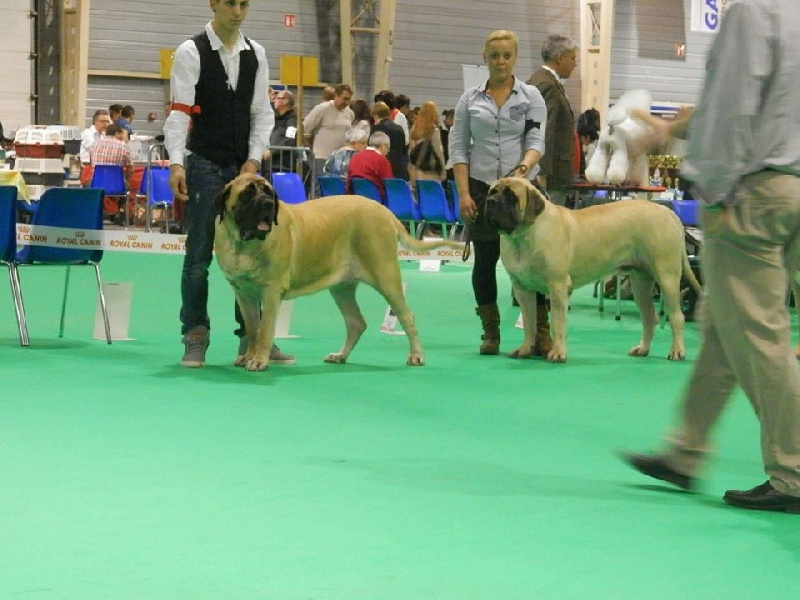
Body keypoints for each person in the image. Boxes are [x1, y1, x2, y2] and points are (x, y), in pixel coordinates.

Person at [623, 0, 800, 514]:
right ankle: (685, 451)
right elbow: (765, 105)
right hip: (791, 189)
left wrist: (715, 191)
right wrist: (675, 128)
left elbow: (734, 106)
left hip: (752, 192)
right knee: (726, 323)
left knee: (761, 338)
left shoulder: (753, 10)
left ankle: (793, 471)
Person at [165, 0, 294, 369]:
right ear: (214, 4)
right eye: (230, 3)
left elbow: (261, 113)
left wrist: (253, 161)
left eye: (243, 4)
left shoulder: (257, 54)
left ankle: (253, 340)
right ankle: (195, 335)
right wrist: (176, 163)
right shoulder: (190, 52)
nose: (237, 11)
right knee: (198, 257)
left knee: (256, 253)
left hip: (245, 168)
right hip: (204, 164)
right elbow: (179, 114)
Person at [450, 29, 546, 356]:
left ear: (515, 57)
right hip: (482, 189)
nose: (501, 61)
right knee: (485, 260)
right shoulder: (469, 100)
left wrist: (523, 169)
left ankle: (541, 333)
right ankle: (490, 332)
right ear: (485, 58)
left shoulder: (531, 96)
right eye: (494, 56)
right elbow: (459, 149)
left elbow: (536, 141)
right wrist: (464, 194)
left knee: (535, 263)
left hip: (521, 189)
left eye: (507, 55)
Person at [526, 34, 578, 351]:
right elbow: (539, 131)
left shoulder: (545, 81)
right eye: (573, 57)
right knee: (545, 239)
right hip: (549, 175)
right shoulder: (545, 84)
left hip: (551, 173)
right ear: (559, 58)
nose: (575, 63)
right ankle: (539, 301)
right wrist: (542, 172)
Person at [303, 83, 354, 179]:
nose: (347, 102)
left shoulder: (350, 113)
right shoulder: (321, 109)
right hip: (322, 158)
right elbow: (305, 130)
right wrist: (313, 147)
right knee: (320, 186)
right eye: (344, 98)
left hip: (341, 160)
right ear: (336, 96)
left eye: (349, 99)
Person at [89, 123, 134, 223]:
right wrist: (125, 178)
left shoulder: (94, 144)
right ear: (117, 133)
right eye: (121, 134)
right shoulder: (124, 146)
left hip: (95, 183)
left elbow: (92, 164)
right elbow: (131, 169)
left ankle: (94, 212)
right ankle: (121, 212)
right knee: (127, 186)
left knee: (88, 183)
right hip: (116, 184)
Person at [408, 100, 446, 188]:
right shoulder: (434, 130)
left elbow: (410, 151)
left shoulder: (414, 129)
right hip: (430, 172)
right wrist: (443, 170)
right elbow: (439, 152)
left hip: (414, 170)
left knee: (419, 194)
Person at [346, 130, 393, 202]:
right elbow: (390, 184)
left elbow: (348, 181)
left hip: (356, 198)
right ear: (383, 146)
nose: (387, 153)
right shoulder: (381, 160)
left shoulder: (355, 157)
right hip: (376, 200)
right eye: (388, 149)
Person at [371, 101, 409, 181]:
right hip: (399, 167)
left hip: (382, 168)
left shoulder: (375, 129)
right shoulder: (399, 128)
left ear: (376, 115)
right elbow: (403, 147)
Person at [266, 88, 298, 173]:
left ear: (285, 101)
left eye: (277, 98)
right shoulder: (277, 117)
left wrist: (272, 151)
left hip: (283, 167)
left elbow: (290, 140)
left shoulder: (292, 119)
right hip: (271, 165)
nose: (274, 101)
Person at [79, 109, 112, 185]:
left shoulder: (105, 134)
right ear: (95, 122)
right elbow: (95, 147)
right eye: (103, 121)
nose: (106, 124)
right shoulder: (87, 133)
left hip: (100, 169)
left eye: (107, 121)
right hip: (86, 169)